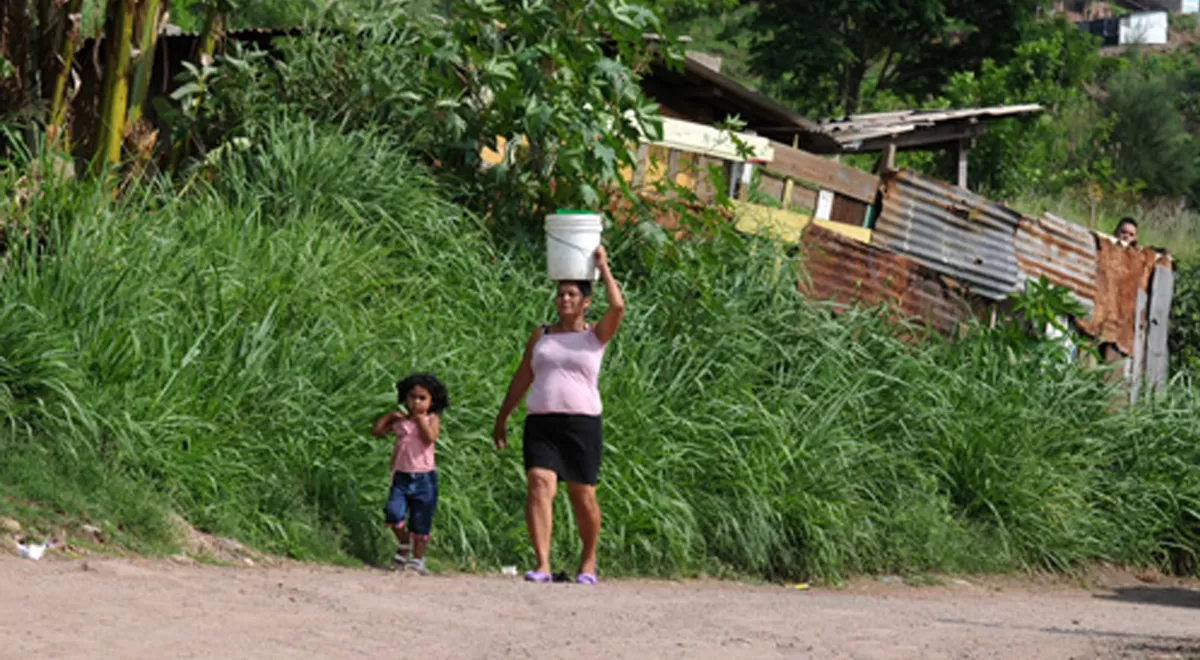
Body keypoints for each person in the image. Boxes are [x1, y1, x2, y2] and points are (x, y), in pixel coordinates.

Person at [493, 245, 625, 585]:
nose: (564, 299)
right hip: (542, 422)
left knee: (583, 495)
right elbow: (523, 376)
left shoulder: (594, 335)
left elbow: (618, 307)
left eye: (572, 294)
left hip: (582, 424)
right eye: (560, 294)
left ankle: (589, 560)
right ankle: (542, 564)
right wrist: (503, 416)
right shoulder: (542, 334)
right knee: (539, 483)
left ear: (585, 302)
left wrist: (603, 267)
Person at [371, 373, 449, 575]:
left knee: (421, 519)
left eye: (422, 398)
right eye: (412, 397)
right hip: (402, 476)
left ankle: (417, 559)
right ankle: (403, 540)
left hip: (424, 478)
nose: (416, 402)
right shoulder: (401, 423)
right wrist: (390, 417)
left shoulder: (432, 419)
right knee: (393, 512)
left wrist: (421, 420)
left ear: (432, 401)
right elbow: (377, 431)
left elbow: (430, 438)